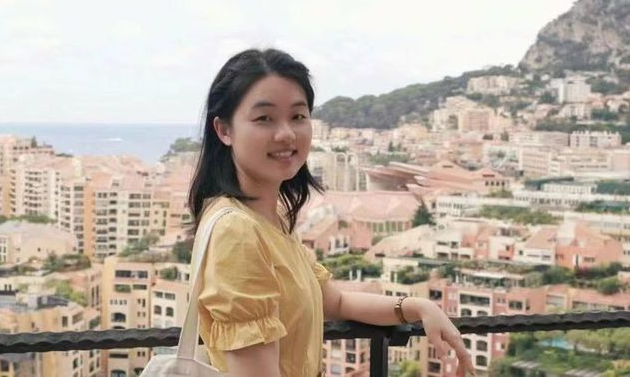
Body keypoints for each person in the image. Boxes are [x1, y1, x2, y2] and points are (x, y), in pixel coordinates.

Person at [188, 48, 475, 377]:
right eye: (264, 118)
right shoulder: (237, 231)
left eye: (298, 116)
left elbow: (335, 302)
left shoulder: (270, 218)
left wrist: (416, 306)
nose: (286, 133)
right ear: (224, 130)